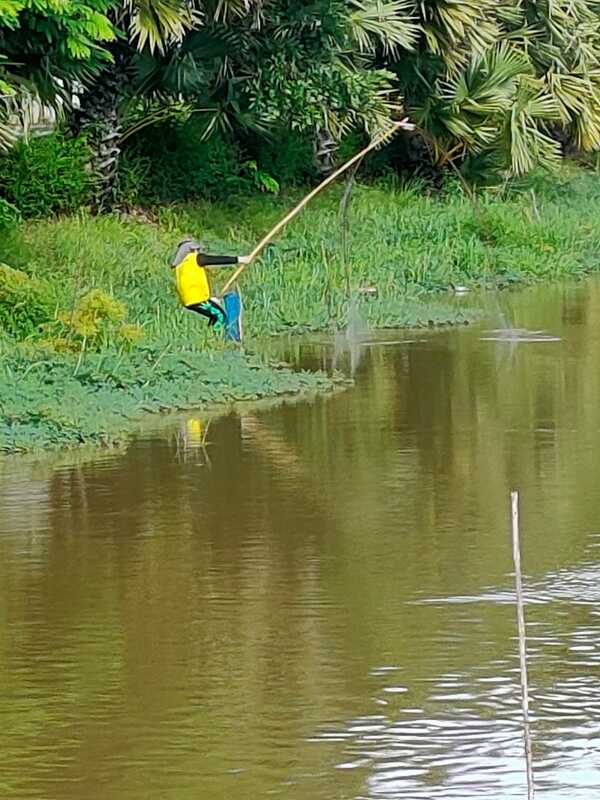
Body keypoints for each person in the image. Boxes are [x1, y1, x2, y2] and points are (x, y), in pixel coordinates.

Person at [171, 238, 251, 328]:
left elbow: (192, 283)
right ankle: (215, 338)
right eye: (197, 249)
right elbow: (215, 260)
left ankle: (210, 336)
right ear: (192, 250)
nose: (198, 251)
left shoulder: (181, 266)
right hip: (197, 300)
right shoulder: (194, 258)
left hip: (190, 300)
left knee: (215, 315)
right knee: (220, 316)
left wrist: (210, 300)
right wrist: (239, 259)